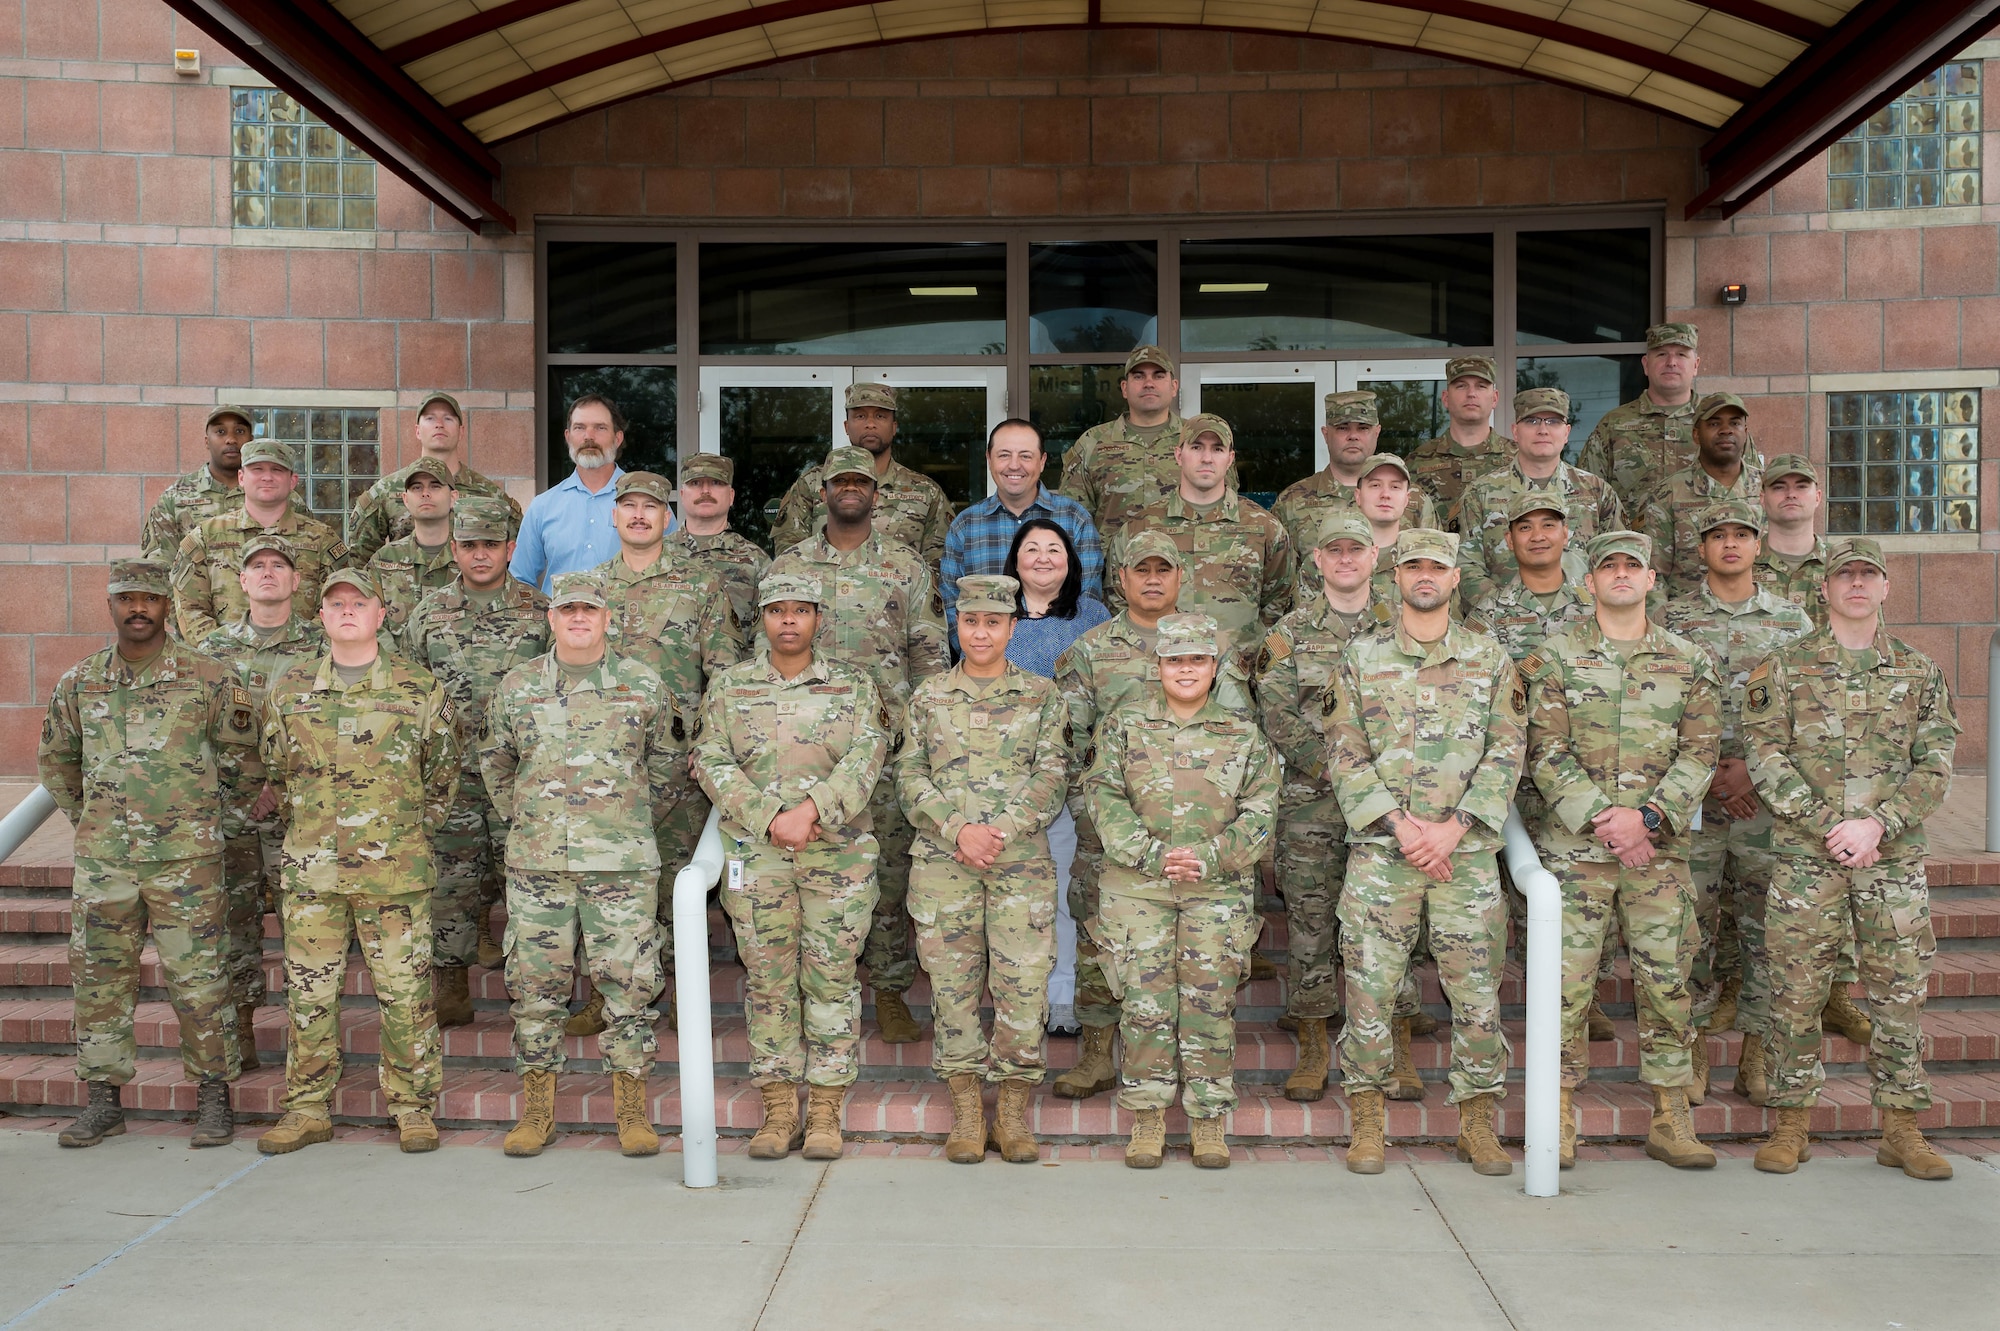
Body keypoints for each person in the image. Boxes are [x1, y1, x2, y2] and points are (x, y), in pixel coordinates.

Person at [1744, 537, 1960, 1180]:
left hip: (1891, 862)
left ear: (1886, 587)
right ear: (1826, 588)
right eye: (1847, 577)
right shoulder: (1783, 668)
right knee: (1795, 992)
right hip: (1808, 860)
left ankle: (1902, 1130)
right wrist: (1828, 826)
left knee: (1899, 995)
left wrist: (1877, 825)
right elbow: (1766, 755)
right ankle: (1790, 1126)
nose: (1858, 585)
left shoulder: (1919, 671)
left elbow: (1937, 763)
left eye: (1869, 575)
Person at [38, 559, 257, 1148]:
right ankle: (103, 1100)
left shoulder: (210, 677)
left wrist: (213, 823)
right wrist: (92, 820)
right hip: (105, 862)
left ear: (167, 605)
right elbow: (57, 763)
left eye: (150, 599)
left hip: (187, 860)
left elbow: (243, 761)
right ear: (109, 604)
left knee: (200, 979)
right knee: (99, 979)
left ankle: (215, 1096)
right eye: (126, 598)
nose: (138, 608)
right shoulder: (79, 683)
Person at [1325, 528, 1524, 1177]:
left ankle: (1477, 1120)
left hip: (1462, 856)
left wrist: (1455, 826)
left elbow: (1507, 749)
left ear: (1456, 575)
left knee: (1475, 993)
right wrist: (1402, 828)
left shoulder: (1489, 658)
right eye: (1414, 564)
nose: (1425, 574)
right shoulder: (1361, 656)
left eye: (1437, 565)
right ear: (1397, 574)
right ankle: (1368, 1119)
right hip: (1385, 854)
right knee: (1370, 989)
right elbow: (1344, 750)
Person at [1522, 531, 1721, 1171]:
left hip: (1657, 857)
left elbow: (1702, 752)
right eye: (1608, 566)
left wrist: (1648, 821)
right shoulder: (1554, 657)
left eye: (1633, 565)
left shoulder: (1689, 661)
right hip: (1574, 855)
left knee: (1667, 984)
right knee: (1565, 989)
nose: (1621, 575)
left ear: (1651, 579)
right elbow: (1545, 752)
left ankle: (1671, 1116)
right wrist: (1605, 822)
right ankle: (1559, 1114)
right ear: (1590, 583)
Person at [481, 570, 688, 1159]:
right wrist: (529, 821)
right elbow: (496, 762)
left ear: (605, 618)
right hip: (537, 864)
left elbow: (670, 765)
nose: (577, 619)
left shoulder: (643, 685)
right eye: (567, 610)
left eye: (588, 611)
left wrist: (627, 820)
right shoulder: (518, 687)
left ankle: (631, 1109)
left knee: (628, 984)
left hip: (619, 864)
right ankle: (537, 1109)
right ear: (551, 618)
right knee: (535, 985)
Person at [253, 567, 459, 1156]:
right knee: (309, 995)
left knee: (406, 993)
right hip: (312, 872)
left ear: (380, 614)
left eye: (358, 602)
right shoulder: (288, 688)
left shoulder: (419, 689)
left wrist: (405, 836)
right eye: (335, 603)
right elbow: (274, 767)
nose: (347, 611)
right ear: (319, 616)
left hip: (393, 872)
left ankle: (414, 1107)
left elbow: (442, 777)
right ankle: (308, 1108)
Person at [693, 571, 890, 1161]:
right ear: (762, 618)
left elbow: (868, 756)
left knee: (831, 977)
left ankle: (826, 1111)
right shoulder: (730, 686)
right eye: (776, 609)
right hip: (758, 855)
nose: (787, 620)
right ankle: (779, 1111)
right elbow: (709, 758)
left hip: (838, 856)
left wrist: (811, 811)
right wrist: (769, 815)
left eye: (799, 610)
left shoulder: (853, 685)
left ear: (817, 618)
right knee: (770, 983)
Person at [766, 446, 950, 1045]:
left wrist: (928, 734)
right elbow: (760, 656)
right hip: (803, 748)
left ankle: (891, 990)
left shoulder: (905, 566)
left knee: (889, 874)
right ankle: (802, 995)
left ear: (876, 492)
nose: (850, 489)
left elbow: (927, 652)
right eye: (839, 481)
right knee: (810, 872)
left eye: (861, 481)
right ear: (822, 492)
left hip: (889, 748)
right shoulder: (788, 567)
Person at [1083, 612, 1279, 1170]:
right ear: (1158, 665)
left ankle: (1208, 1118)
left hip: (1216, 889)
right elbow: (1102, 794)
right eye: (1176, 660)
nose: (1186, 669)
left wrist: (1213, 856)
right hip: (1138, 887)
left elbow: (1263, 809)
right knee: (1143, 1005)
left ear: (1214, 667)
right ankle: (1147, 1117)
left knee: (1209, 1005)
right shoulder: (1123, 726)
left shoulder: (1243, 736)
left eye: (1197, 659)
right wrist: (1150, 854)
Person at [897, 574, 1069, 1163]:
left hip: (1019, 865)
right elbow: (909, 776)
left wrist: (999, 832)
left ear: (1011, 628)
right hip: (945, 866)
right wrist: (957, 829)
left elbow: (1053, 776)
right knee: (952, 990)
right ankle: (968, 1113)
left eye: (993, 622)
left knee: (1022, 987)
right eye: (970, 621)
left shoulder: (1043, 696)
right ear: (958, 626)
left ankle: (1014, 1115)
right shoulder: (928, 698)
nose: (980, 632)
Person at [1660, 501, 1811, 1104]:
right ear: (1701, 549)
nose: (1729, 544)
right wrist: (1702, 775)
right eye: (1717, 536)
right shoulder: (1672, 619)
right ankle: (1693, 1049)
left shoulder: (1792, 622)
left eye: (1740, 535)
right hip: (1691, 799)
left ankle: (1756, 1054)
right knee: (1687, 928)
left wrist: (1752, 769)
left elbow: (1808, 710)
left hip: (1763, 800)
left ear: (1758, 545)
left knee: (1765, 931)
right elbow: (1661, 707)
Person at [588, 470, 744, 1030]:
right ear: (614, 514)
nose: (637, 515)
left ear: (666, 517)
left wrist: (713, 746)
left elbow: (723, 671)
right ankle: (605, 995)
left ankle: (680, 995)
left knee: (676, 879)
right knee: (608, 880)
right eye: (627, 505)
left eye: (649, 507)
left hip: (677, 767)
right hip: (601, 764)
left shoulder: (700, 585)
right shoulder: (588, 589)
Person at [1255, 511, 1394, 1104]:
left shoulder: (1401, 626)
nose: (1344, 560)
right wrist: (1333, 767)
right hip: (1312, 800)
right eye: (1333, 550)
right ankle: (1313, 1038)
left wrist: (1373, 778)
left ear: (1373, 558)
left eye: (1355, 551)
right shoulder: (1289, 632)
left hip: (1389, 801)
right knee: (1311, 922)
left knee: (1392, 926)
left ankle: (1396, 1040)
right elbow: (1276, 711)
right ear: (1316, 560)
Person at [1051, 531, 1190, 1100]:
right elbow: (1067, 743)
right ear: (1122, 579)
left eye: (1164, 568)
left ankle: (1184, 1058)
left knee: (1194, 945)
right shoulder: (1091, 651)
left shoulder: (1208, 646)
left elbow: (1239, 738)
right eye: (1141, 569)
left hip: (1191, 831)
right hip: (1107, 829)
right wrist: (1096, 817)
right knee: (1097, 935)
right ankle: (1096, 1055)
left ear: (1180, 577)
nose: (1152, 578)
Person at [403, 498, 552, 1015]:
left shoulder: (541, 613)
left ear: (510, 549)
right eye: (469, 545)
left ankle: (534, 990)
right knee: (451, 879)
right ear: (454, 549)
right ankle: (450, 983)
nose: (481, 555)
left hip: (521, 774)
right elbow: (411, 691)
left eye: (491, 544)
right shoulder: (429, 613)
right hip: (452, 774)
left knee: (528, 883)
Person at [195, 535, 327, 1069]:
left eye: (279, 565)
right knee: (233, 928)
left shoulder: (323, 647)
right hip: (230, 814)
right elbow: (194, 731)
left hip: (299, 814)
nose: (269, 572)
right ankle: (242, 1036)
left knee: (307, 927)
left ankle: (309, 1044)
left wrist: (283, 782)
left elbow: (332, 724)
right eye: (257, 567)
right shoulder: (210, 652)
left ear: (297, 582)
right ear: (242, 582)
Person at [1000, 518, 1110, 1033]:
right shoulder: (993, 617)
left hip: (1071, 781)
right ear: (1015, 559)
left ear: (1071, 561)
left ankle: (1062, 998)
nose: (1043, 557)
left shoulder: (1092, 616)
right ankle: (1018, 1004)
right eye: (1032, 548)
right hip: (1005, 784)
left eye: (1055, 549)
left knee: (1065, 894)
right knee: (1014, 901)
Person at [1133, 413, 1292, 673]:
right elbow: (1122, 599)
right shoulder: (1142, 527)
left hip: (1242, 679)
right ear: (1178, 454)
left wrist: (1254, 654)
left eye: (1217, 449)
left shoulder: (1264, 528)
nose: (1207, 458)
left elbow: (1280, 602)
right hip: (1163, 675)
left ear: (1230, 459)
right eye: (1196, 447)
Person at [942, 418, 1103, 647]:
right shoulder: (965, 526)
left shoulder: (1075, 519)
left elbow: (1087, 603)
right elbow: (951, 607)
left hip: (1067, 669)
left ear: (1042, 461)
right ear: (989, 459)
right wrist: (981, 659)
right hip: (987, 671)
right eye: (1004, 455)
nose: (1014, 465)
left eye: (1026, 456)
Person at [1457, 388, 1623, 609]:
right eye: (1532, 421)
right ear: (1515, 431)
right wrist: (1502, 609)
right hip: (1503, 628)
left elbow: (1618, 559)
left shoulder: (1596, 491)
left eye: (1553, 422)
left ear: (1567, 433)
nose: (1543, 430)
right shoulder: (1481, 493)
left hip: (1584, 623)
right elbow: (1467, 565)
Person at [170, 439, 349, 643]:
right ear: (241, 477)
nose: (267, 477)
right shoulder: (207, 536)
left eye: (277, 470)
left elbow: (339, 604)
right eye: (257, 469)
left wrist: (305, 652)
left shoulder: (321, 539)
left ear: (292, 481)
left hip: (302, 665)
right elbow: (189, 608)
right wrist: (219, 653)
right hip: (224, 666)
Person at [770, 382, 952, 570]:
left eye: (880, 416)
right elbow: (788, 558)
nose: (870, 424)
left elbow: (939, 566)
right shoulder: (812, 483)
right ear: (847, 426)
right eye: (860, 416)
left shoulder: (925, 490)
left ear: (894, 426)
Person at [1271, 391, 1439, 574]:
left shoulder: (1415, 500)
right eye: (1343, 428)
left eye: (1363, 428)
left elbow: (1437, 567)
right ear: (1326, 434)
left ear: (1377, 432)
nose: (1353, 436)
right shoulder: (1293, 501)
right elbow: (1281, 581)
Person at [345, 392, 521, 566]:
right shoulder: (385, 491)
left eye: (448, 418)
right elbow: (358, 564)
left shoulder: (489, 494)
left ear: (461, 431)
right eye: (430, 418)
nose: (439, 425)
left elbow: (516, 561)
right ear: (417, 431)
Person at [1639, 392, 1764, 601]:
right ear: (1696, 435)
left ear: (1745, 432)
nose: (1726, 430)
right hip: (1688, 622)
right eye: (1714, 424)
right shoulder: (1667, 494)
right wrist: (1664, 626)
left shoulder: (1769, 488)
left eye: (1734, 423)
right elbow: (1653, 575)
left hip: (1760, 621)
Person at [1577, 323, 1707, 516]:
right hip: (1634, 545)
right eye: (1661, 354)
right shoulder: (1614, 424)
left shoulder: (1717, 421)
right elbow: (1586, 493)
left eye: (1681, 354)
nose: (1671, 362)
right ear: (1646, 364)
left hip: (1706, 544)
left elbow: (1749, 489)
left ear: (1695, 365)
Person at [511, 394, 629, 593]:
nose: (588, 436)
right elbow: (520, 580)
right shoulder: (543, 506)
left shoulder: (648, 503)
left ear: (617, 438)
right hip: (557, 623)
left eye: (600, 427)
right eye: (579, 427)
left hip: (625, 623)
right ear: (568, 437)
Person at [674, 452, 771, 643]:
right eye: (696, 483)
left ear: (731, 496)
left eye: (716, 483)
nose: (706, 491)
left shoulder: (755, 560)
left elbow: (765, 634)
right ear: (682, 495)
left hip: (733, 670)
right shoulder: (657, 553)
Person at [1409, 355, 1514, 527]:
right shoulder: (1417, 462)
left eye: (1481, 386)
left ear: (1495, 398)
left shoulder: (1519, 458)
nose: (1471, 394)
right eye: (1461, 386)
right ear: (1445, 398)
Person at [141, 405, 255, 561]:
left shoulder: (274, 494)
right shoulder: (174, 499)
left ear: (251, 441)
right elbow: (159, 567)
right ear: (207, 441)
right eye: (220, 432)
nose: (231, 439)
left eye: (240, 431)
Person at [367, 457, 459, 640]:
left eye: (435, 486)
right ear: (405, 500)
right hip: (397, 666)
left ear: (453, 497)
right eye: (417, 487)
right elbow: (370, 622)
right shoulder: (383, 560)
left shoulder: (471, 557)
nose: (425, 493)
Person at [1754, 454, 1829, 629]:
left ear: (1817, 497)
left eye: (1801, 487)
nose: (1791, 494)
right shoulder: (1741, 564)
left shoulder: (1842, 565)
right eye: (1779, 487)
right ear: (1763, 499)